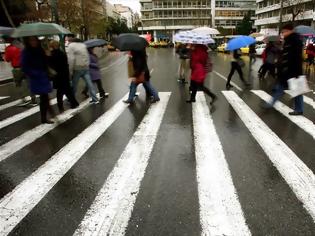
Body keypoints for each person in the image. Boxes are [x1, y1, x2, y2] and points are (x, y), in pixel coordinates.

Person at [266, 24, 304, 116]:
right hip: (287, 70)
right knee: (281, 87)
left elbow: (295, 57)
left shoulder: (295, 40)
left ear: (289, 30)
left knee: (297, 91)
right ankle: (270, 103)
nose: (282, 34)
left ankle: (299, 109)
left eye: (283, 32)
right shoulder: (289, 40)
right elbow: (285, 54)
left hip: (293, 71)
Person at [21, 36, 56, 124]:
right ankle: (49, 114)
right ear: (28, 42)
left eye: (35, 40)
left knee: (45, 97)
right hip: (36, 77)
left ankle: (45, 117)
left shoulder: (40, 49)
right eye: (31, 40)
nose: (33, 42)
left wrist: (48, 55)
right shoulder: (26, 52)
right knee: (44, 97)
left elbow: (45, 62)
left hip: (43, 76)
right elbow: (24, 66)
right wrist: (34, 74)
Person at [48, 40, 79, 113]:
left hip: (57, 76)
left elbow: (50, 65)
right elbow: (65, 65)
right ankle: (73, 103)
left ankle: (62, 106)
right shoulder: (62, 53)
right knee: (66, 91)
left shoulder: (52, 55)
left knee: (61, 92)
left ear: (52, 47)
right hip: (64, 75)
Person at [4, 37, 37, 106]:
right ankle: (33, 100)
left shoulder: (9, 48)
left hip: (17, 68)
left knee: (18, 84)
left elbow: (7, 59)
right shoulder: (22, 46)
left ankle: (23, 100)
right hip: (27, 67)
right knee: (29, 84)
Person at [67, 38, 99, 104]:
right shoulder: (83, 45)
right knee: (89, 84)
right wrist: (86, 65)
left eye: (68, 41)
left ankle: (71, 100)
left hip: (77, 68)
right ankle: (95, 99)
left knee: (74, 85)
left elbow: (71, 59)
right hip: (85, 67)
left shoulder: (71, 46)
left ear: (71, 41)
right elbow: (87, 56)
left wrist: (70, 71)